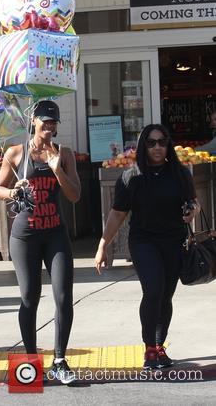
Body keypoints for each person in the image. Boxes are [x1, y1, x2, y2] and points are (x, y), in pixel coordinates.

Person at [94, 124, 200, 370]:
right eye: (151, 143)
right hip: (144, 241)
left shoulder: (180, 173)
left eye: (162, 142)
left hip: (174, 241)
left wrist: (193, 210)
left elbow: (194, 203)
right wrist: (103, 245)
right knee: (153, 290)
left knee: (166, 296)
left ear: (168, 145)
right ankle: (149, 348)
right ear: (143, 146)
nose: (157, 147)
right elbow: (117, 214)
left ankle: (160, 345)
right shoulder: (132, 176)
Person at [0, 100, 81, 384]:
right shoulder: (16, 153)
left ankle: (59, 360)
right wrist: (12, 192)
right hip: (25, 235)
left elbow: (75, 195)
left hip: (55, 232)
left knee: (63, 296)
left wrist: (58, 170)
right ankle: (31, 362)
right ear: (34, 121)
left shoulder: (64, 154)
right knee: (29, 297)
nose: (50, 126)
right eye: (45, 121)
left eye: (54, 122)